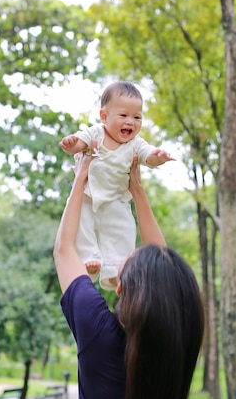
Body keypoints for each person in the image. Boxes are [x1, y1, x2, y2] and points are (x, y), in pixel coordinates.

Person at [53, 146, 205, 399]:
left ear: (120, 289)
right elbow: (163, 272)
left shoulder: (99, 335)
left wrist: (81, 179)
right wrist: (136, 190)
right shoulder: (181, 342)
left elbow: (64, 250)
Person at [59, 80, 175, 290]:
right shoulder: (96, 133)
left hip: (116, 199)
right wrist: (71, 144)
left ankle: (115, 268)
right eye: (123, 115)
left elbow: (149, 157)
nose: (130, 122)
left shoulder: (136, 144)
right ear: (104, 116)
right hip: (88, 192)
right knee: (81, 223)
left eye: (137, 117)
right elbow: (78, 144)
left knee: (123, 229)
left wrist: (159, 157)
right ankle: (89, 259)